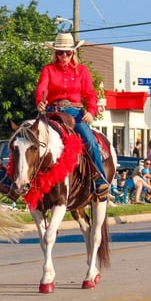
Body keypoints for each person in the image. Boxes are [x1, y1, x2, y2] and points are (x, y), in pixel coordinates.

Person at [36, 32, 108, 195]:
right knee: (31, 139)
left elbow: (90, 93)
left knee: (89, 139)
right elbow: (42, 88)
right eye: (60, 52)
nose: (64, 56)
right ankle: (24, 181)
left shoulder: (82, 71)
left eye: (68, 52)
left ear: (73, 53)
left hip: (75, 113)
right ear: (55, 53)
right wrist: (40, 101)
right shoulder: (48, 70)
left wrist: (91, 111)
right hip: (52, 111)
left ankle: (99, 178)